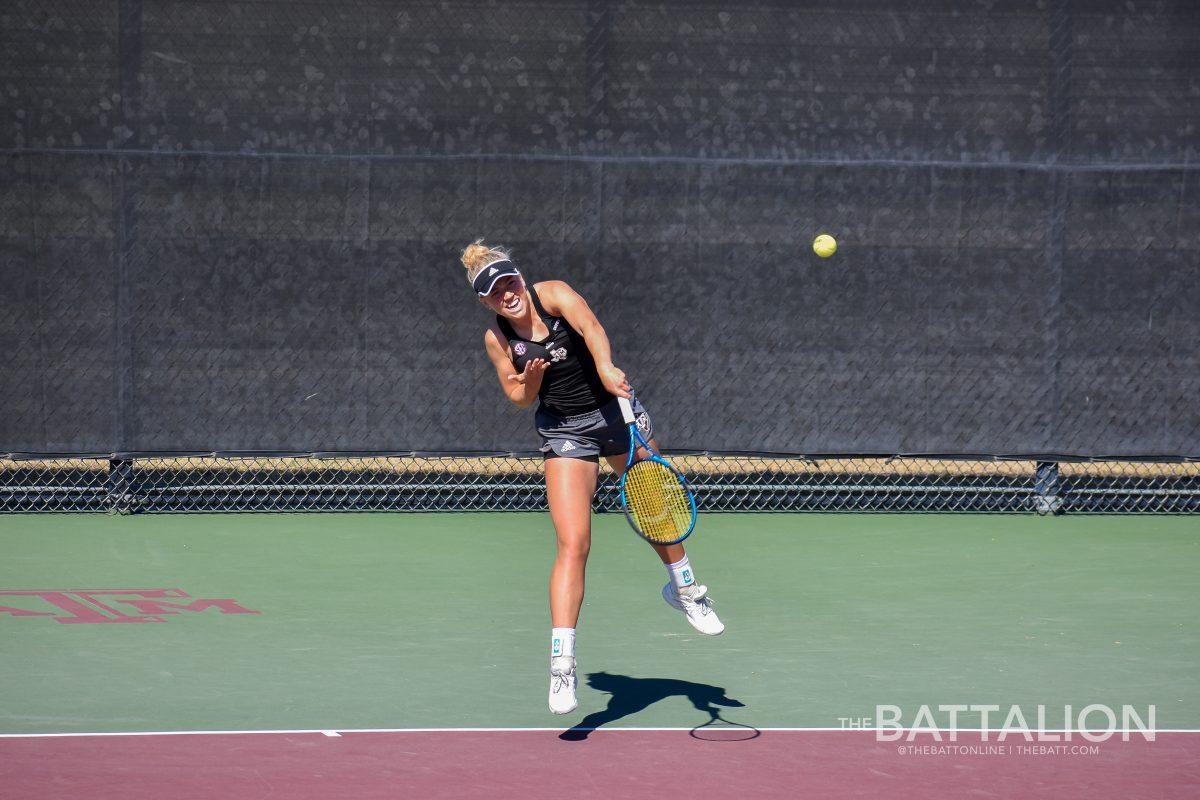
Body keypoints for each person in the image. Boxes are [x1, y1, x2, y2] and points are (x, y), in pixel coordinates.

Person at [462, 240, 725, 715]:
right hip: (564, 432)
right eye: (494, 291)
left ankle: (685, 589)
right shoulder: (497, 338)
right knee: (573, 543)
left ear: (519, 276)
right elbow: (518, 397)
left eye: (508, 281)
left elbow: (593, 328)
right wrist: (535, 379)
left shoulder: (555, 294)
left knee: (656, 507)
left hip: (614, 414)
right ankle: (562, 665)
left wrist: (604, 367)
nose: (506, 293)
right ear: (485, 302)